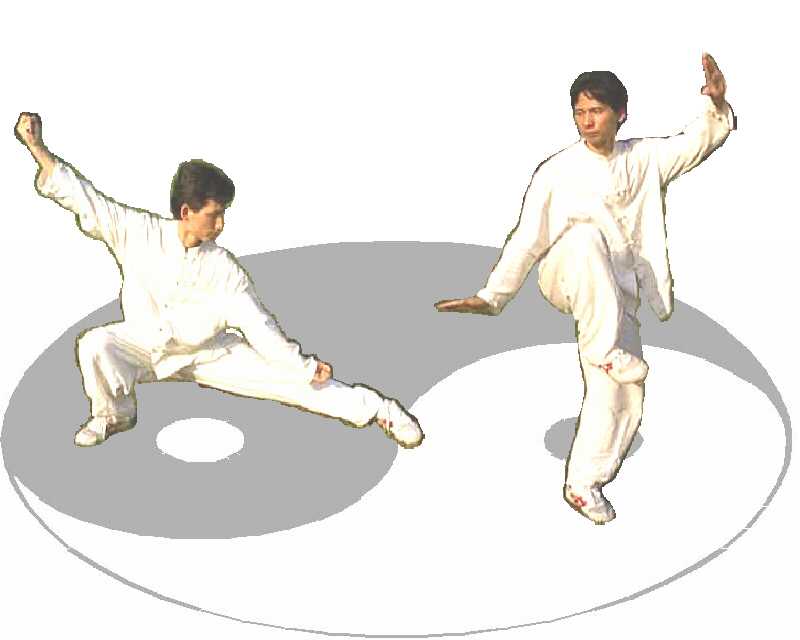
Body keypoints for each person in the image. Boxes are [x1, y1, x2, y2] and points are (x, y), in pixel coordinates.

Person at [435, 53, 735, 524]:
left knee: (623, 395)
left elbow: (697, 142)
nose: (586, 120)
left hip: (618, 295)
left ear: (620, 113)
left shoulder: (644, 157)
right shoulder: (556, 171)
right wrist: (492, 296)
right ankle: (606, 350)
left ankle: (584, 483)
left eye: (596, 110)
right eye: (579, 112)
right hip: (566, 273)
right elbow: (528, 237)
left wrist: (716, 103)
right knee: (584, 239)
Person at [15, 113, 423, 450]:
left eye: (224, 213)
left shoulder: (224, 269)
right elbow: (83, 197)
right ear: (187, 211)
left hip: (210, 354)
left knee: (294, 382)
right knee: (95, 344)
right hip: (145, 345)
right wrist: (36, 147)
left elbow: (260, 328)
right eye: (214, 214)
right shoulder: (138, 231)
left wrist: (303, 367)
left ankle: (381, 409)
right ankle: (113, 415)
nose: (221, 224)